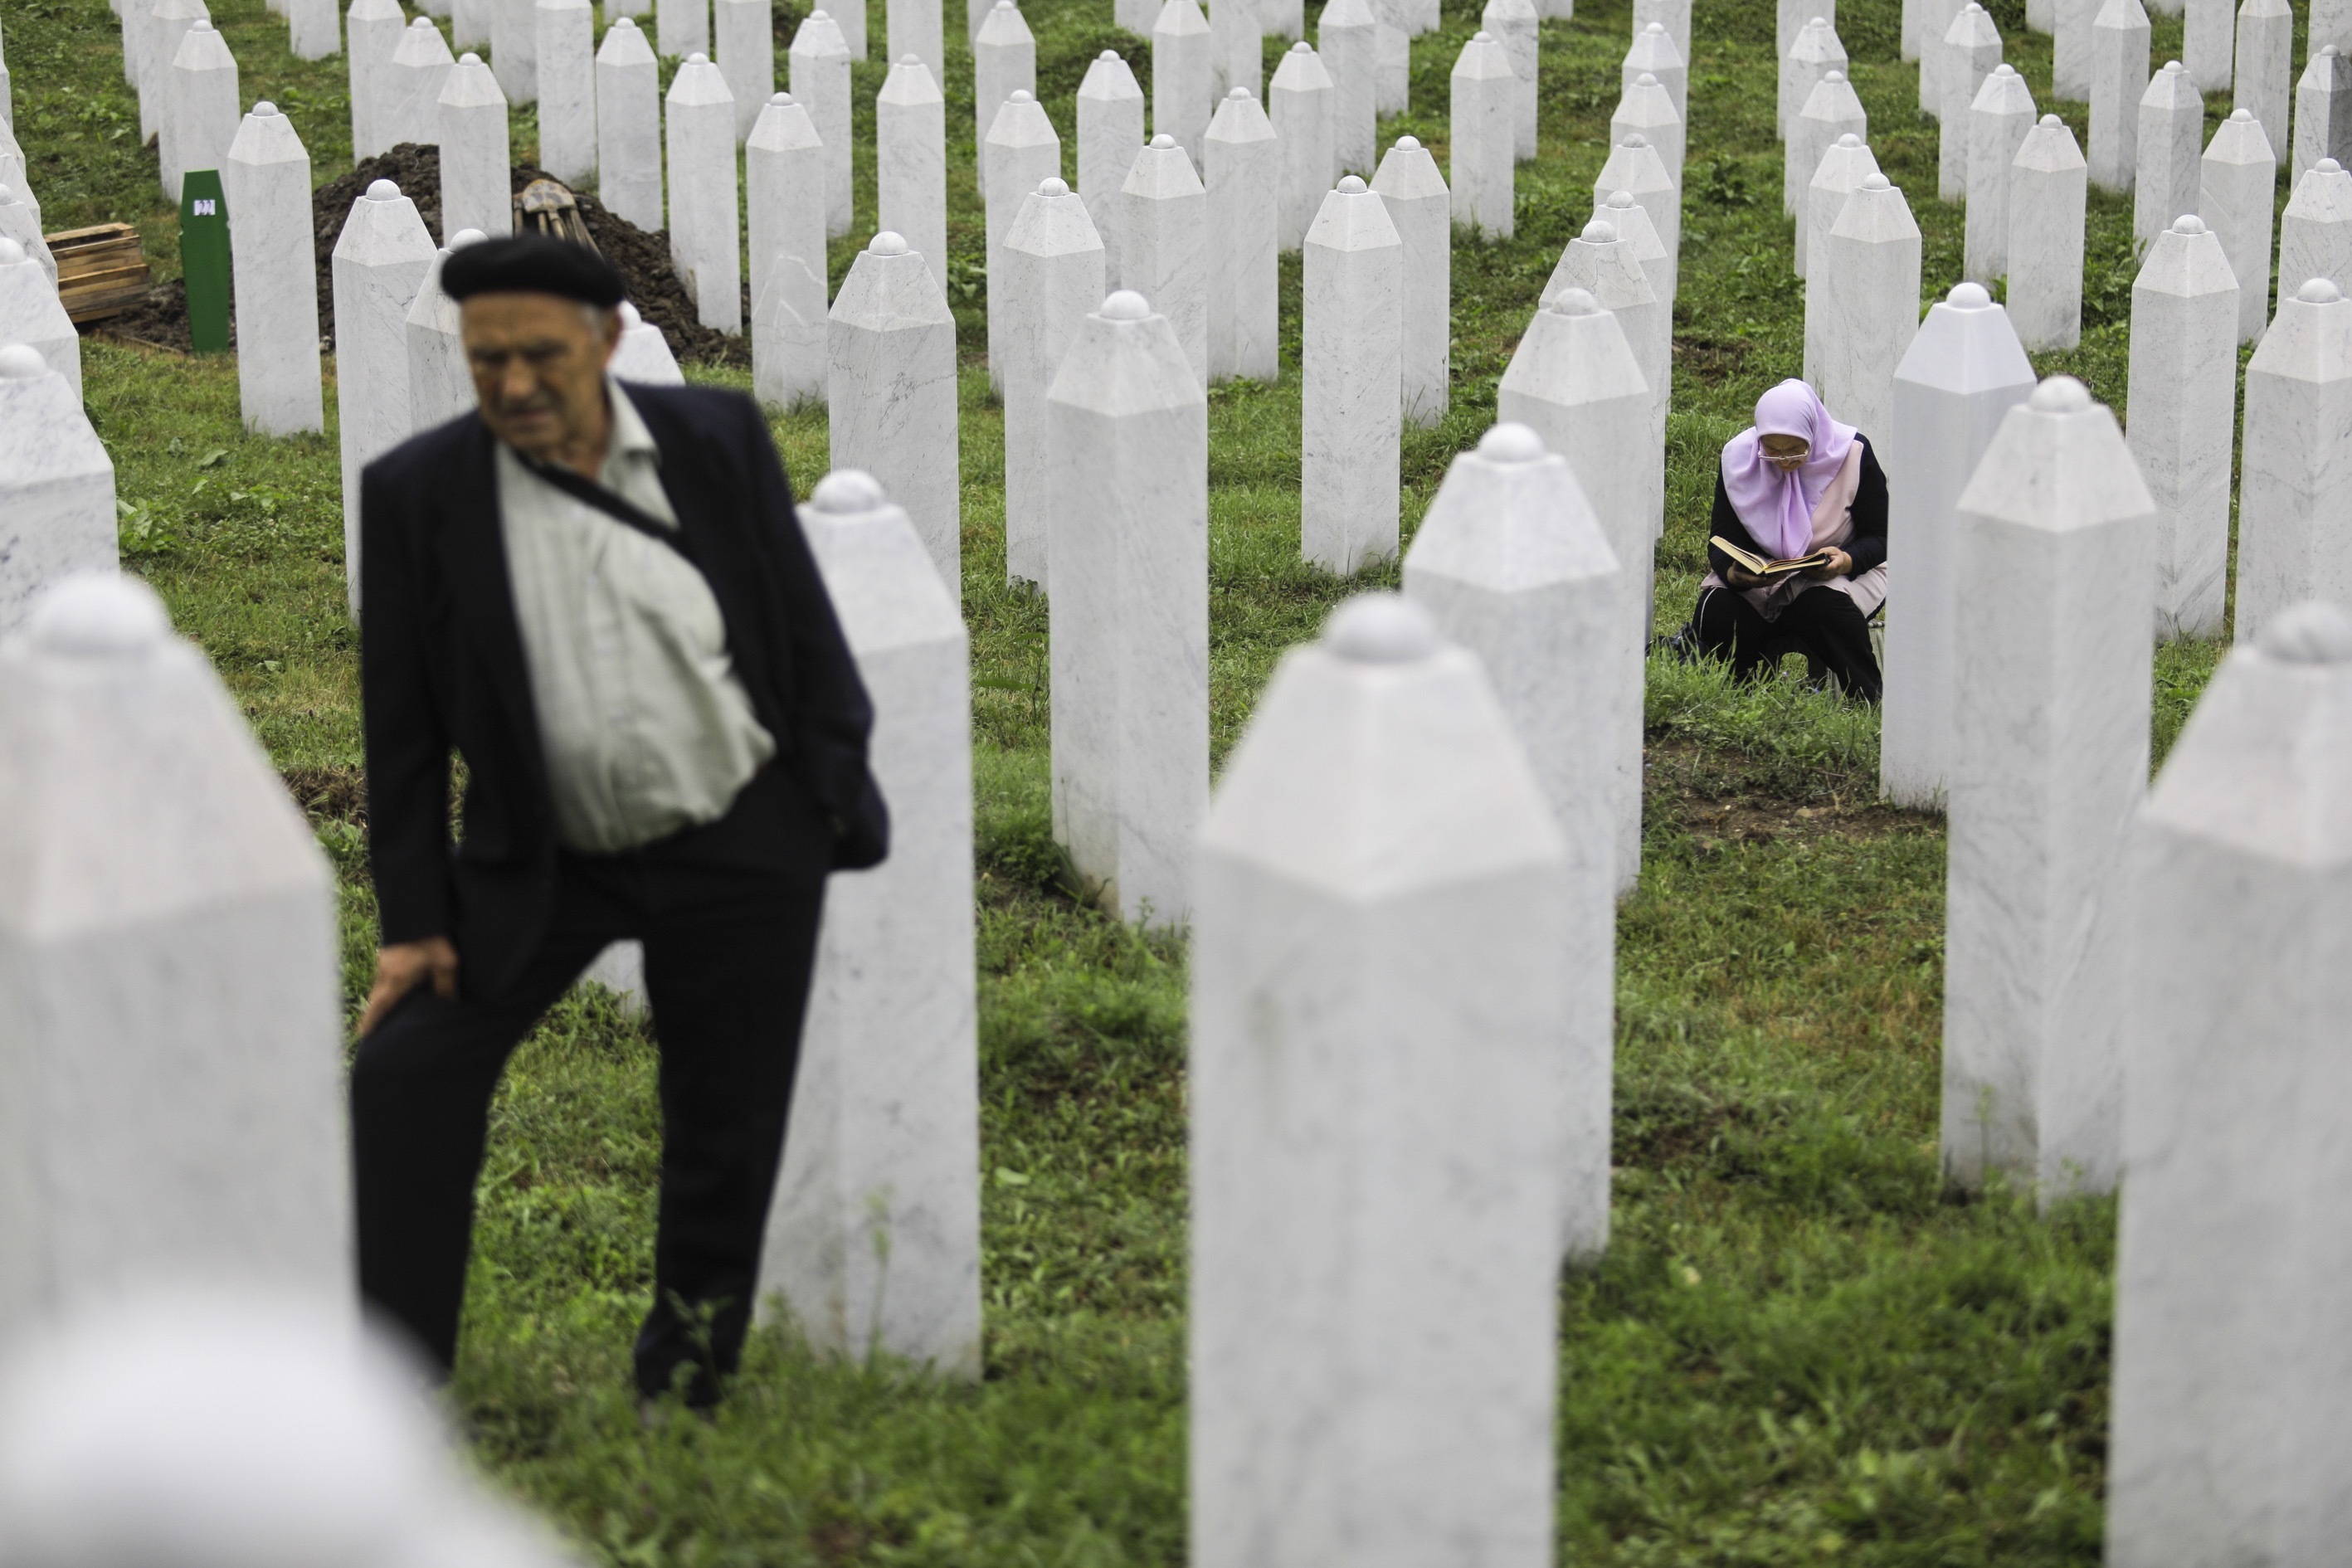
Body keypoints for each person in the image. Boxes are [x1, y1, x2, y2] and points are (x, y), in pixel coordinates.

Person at [349, 235, 888, 1408]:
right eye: (487, 360)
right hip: (545, 860)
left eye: (541, 354)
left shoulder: (715, 442)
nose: (516, 385)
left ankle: (683, 1382)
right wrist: (414, 923)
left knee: (722, 1121)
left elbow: (800, 634)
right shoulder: (416, 496)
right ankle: (390, 1398)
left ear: (603, 342)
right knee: (401, 1082)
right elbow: (399, 739)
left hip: (738, 834)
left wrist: (819, 797)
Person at [1687, 379, 1889, 702]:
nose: (1784, 461)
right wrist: (1734, 573)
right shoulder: (1739, 458)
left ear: (1814, 432)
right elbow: (1721, 538)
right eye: (1772, 450)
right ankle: (1744, 695)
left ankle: (1867, 701)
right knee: (1717, 608)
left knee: (1824, 607)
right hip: (1764, 577)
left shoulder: (1852, 453)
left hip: (1837, 572)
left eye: (1797, 449)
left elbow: (1882, 534)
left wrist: (1847, 559)